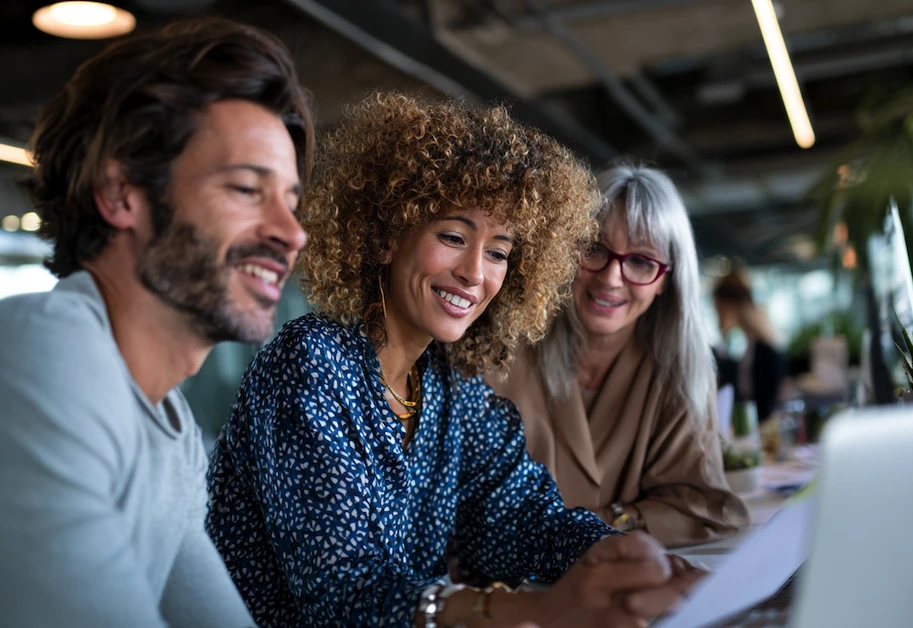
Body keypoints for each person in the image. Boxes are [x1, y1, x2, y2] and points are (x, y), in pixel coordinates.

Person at [207, 93, 702, 628]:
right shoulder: (311, 363)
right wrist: (533, 609)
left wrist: (637, 563)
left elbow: (523, 520)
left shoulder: (449, 384)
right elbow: (342, 598)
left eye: (497, 252)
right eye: (452, 236)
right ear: (387, 238)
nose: (474, 273)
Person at [0, 18, 313, 627]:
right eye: (249, 189)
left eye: (292, 201)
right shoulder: (45, 351)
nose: (292, 233)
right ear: (121, 195)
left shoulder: (171, 434)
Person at [487, 163, 748, 548]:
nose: (611, 277)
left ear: (666, 282)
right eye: (593, 247)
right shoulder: (502, 348)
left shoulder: (679, 371)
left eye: (641, 261)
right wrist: (633, 520)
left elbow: (705, 510)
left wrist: (598, 524)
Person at [712, 268, 787, 422]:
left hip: (763, 428)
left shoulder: (764, 348)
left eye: (719, 311)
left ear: (729, 306)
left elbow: (767, 402)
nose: (718, 318)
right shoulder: (754, 342)